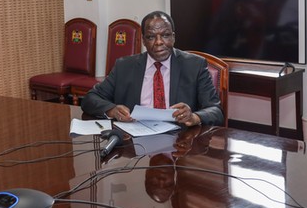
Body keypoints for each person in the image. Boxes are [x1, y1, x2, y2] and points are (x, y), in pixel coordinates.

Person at [81, 11, 223, 126]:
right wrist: (112, 110)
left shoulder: (195, 66)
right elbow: (90, 98)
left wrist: (194, 117)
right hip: (136, 142)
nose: (159, 42)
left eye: (165, 35)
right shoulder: (124, 66)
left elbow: (215, 111)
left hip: (180, 143)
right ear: (143, 40)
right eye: (151, 37)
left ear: (173, 37)